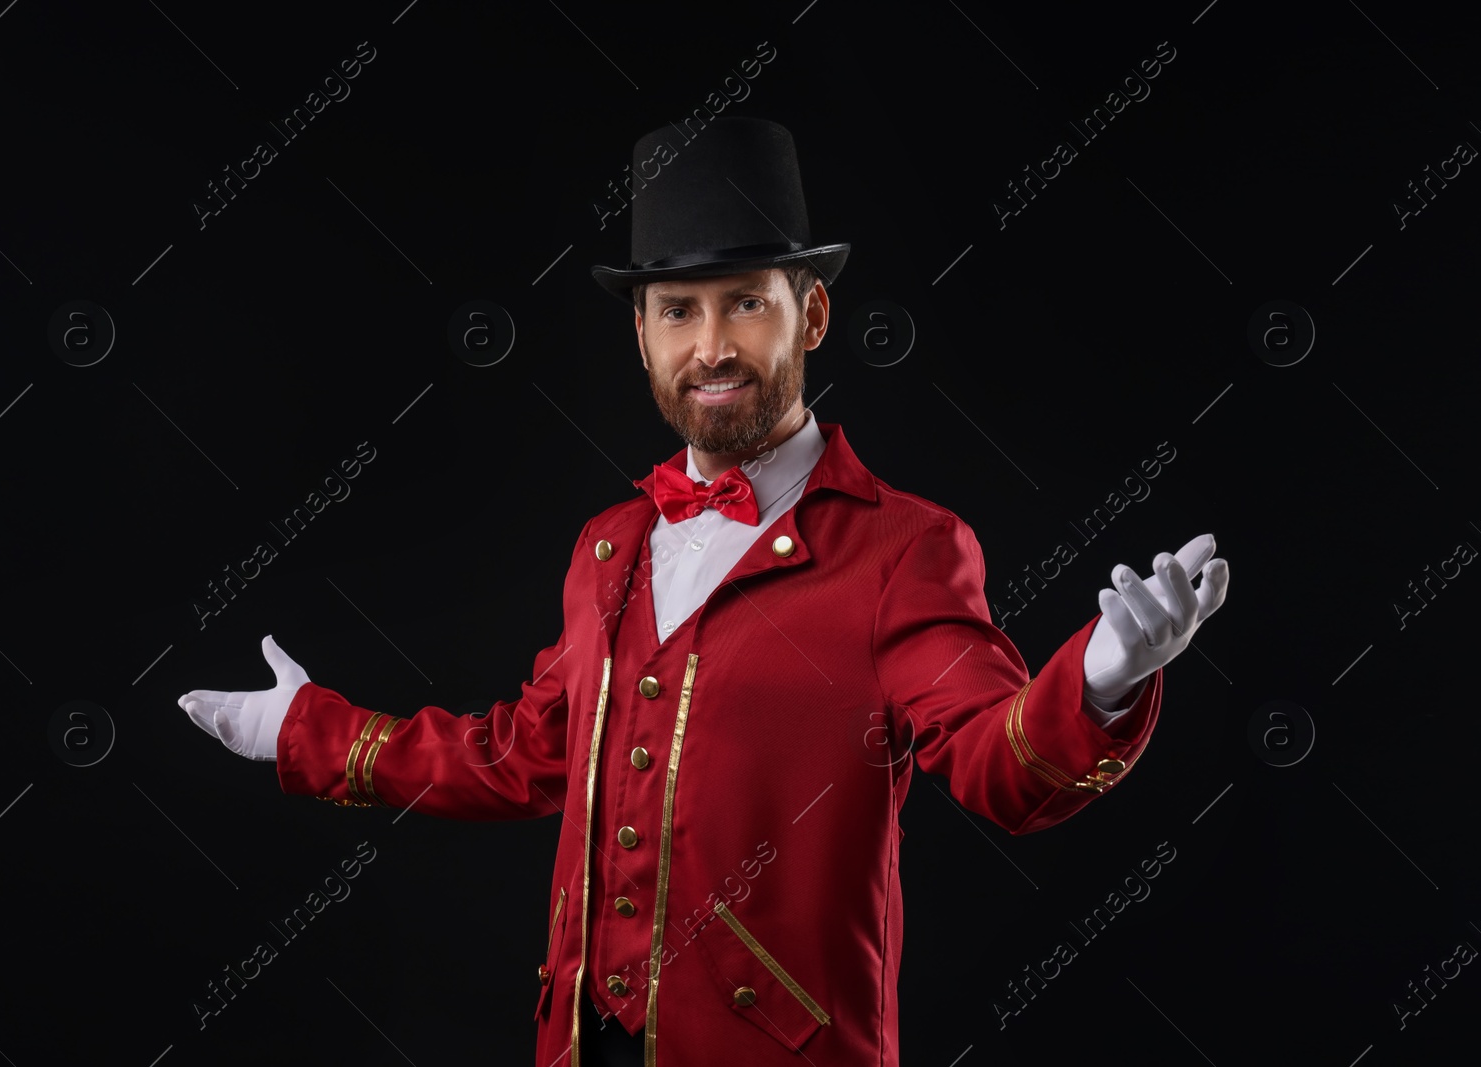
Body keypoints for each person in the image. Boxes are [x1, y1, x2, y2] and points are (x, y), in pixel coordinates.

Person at [179, 117, 1229, 1067]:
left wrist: (1097, 682)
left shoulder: (903, 546)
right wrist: (305, 733)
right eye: (676, 309)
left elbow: (995, 763)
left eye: (745, 304)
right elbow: (522, 754)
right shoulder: (607, 546)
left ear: (810, 315)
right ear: (640, 334)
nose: (711, 345)